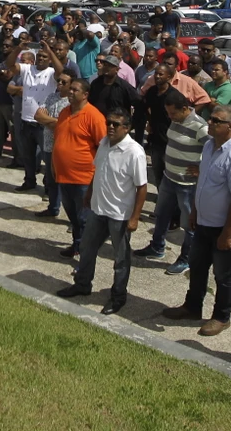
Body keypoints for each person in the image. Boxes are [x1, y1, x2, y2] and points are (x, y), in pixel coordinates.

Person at [162, 104, 231, 336]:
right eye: (210, 119)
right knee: (198, 268)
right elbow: (204, 184)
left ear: (230, 127)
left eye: (215, 120)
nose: (208, 123)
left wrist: (228, 234)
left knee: (224, 274)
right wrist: (195, 212)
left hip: (225, 227)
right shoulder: (210, 146)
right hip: (204, 222)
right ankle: (192, 307)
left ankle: (221, 317)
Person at [56, 110, 148, 316]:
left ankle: (118, 296)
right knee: (87, 248)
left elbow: (142, 187)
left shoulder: (135, 152)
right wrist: (89, 194)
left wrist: (134, 217)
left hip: (120, 215)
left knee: (120, 258)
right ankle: (82, 284)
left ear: (128, 128)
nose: (111, 127)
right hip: (98, 209)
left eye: (116, 124)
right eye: (109, 123)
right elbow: (97, 171)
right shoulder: (105, 143)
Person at [139, 90, 208, 274]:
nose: (170, 117)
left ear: (185, 108)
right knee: (161, 215)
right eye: (168, 113)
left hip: (187, 185)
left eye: (172, 113)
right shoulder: (176, 121)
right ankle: (157, 247)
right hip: (169, 179)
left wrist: (202, 169)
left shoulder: (200, 126)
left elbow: (215, 149)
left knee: (189, 225)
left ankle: (187, 258)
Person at [47, 78, 106, 257]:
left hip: (84, 179)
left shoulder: (94, 117)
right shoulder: (65, 112)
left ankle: (87, 256)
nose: (70, 92)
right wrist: (53, 165)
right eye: (70, 89)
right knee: (73, 218)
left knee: (85, 220)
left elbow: (104, 148)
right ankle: (77, 245)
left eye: (75, 90)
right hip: (63, 176)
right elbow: (59, 140)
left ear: (85, 94)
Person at [5, 40, 58, 193]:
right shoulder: (28, 69)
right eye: (39, 56)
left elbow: (61, 72)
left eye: (44, 57)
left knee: (48, 158)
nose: (41, 59)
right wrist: (18, 49)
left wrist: (50, 51)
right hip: (26, 120)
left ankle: (49, 187)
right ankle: (29, 181)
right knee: (27, 156)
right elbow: (10, 65)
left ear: (49, 60)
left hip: (43, 124)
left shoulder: (52, 73)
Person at [34, 72, 74, 219]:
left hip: (65, 147)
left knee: (67, 183)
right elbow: (38, 116)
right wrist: (55, 122)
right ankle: (53, 207)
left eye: (64, 82)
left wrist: (48, 120)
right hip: (49, 144)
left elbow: (67, 125)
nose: (60, 84)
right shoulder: (51, 97)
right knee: (51, 179)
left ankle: (74, 218)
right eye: (59, 81)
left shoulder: (71, 102)